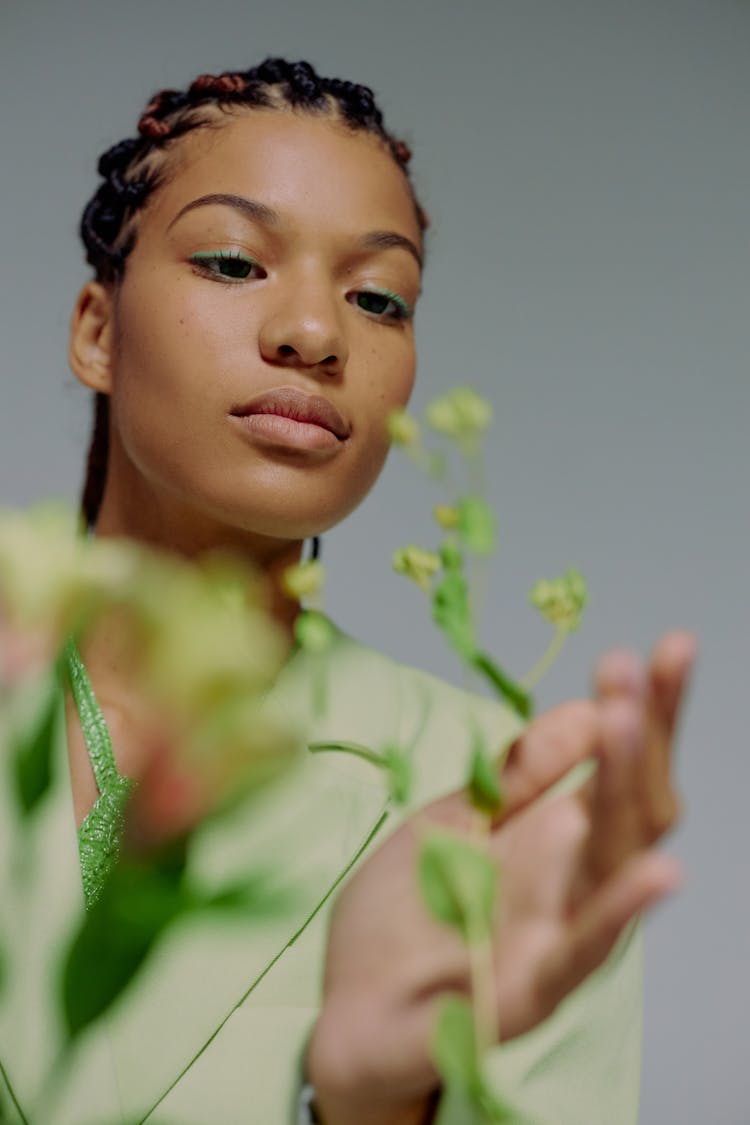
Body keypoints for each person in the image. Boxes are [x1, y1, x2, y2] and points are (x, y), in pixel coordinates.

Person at [0, 58, 695, 1124]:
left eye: (379, 298)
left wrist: (368, 1102)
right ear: (98, 330)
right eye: (233, 262)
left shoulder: (510, 818)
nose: (316, 336)